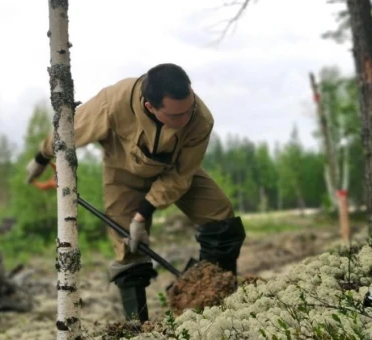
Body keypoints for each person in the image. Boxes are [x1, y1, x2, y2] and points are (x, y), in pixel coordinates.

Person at [26, 63, 246, 323]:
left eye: (189, 109)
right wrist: (42, 157)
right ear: (149, 106)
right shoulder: (113, 103)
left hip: (174, 172)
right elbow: (69, 130)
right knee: (128, 249)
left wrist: (144, 212)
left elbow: (181, 175)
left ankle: (215, 303)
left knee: (221, 219)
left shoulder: (200, 119)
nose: (185, 119)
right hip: (123, 175)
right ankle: (138, 327)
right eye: (176, 116)